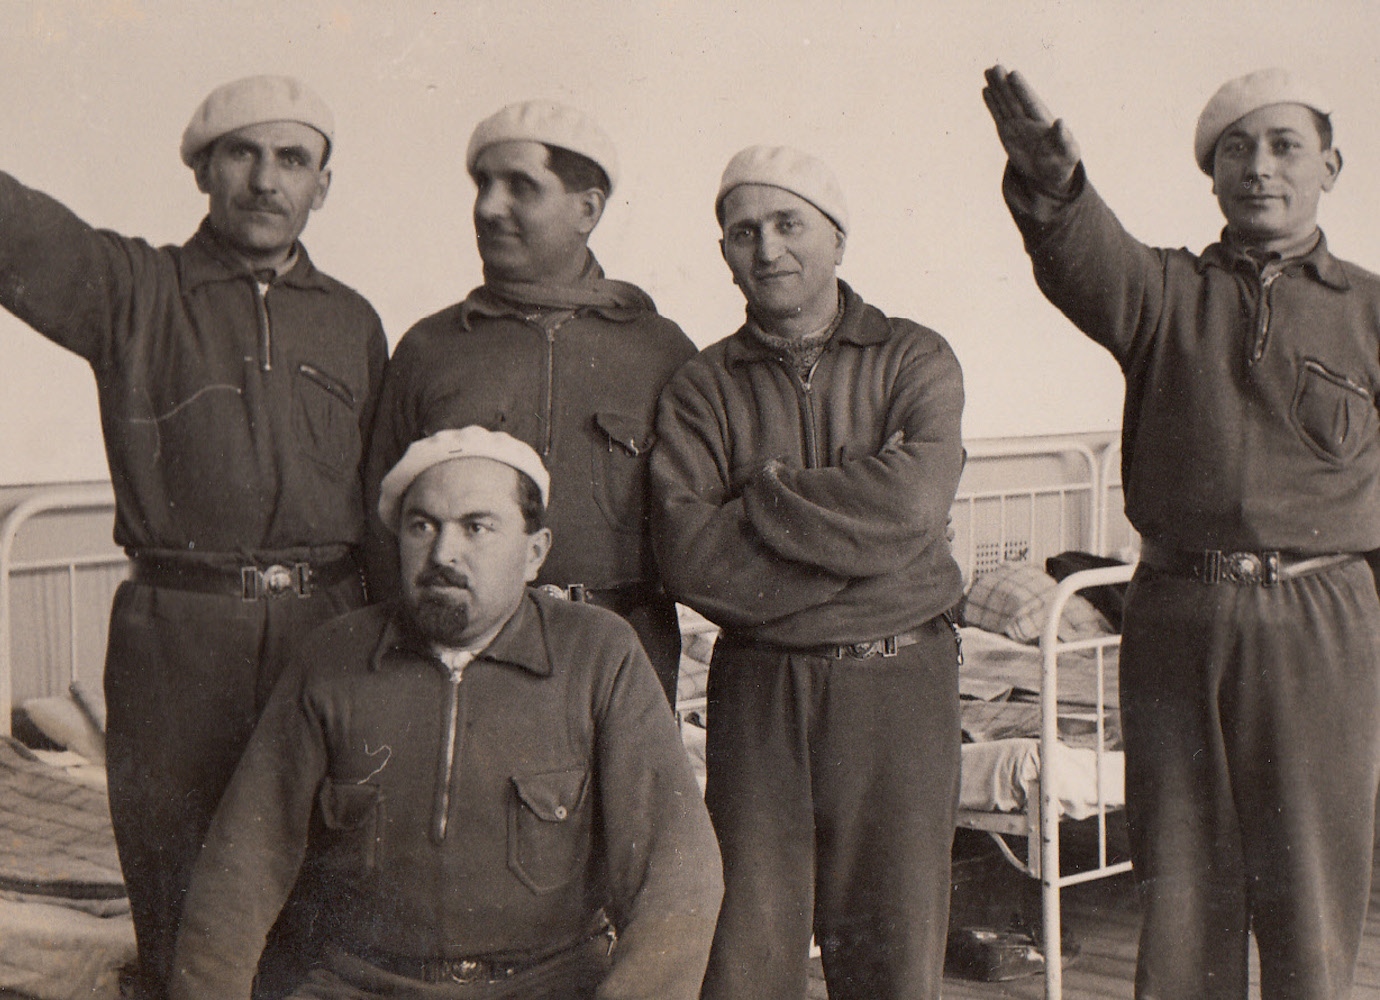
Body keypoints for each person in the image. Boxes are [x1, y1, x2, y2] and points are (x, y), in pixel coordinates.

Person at [983, 64, 1380, 999]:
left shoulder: (1371, 310)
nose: (1259, 167)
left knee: (1311, 882)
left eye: (1284, 146)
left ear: (1330, 164)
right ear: (1211, 177)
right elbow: (1084, 254)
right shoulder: (1163, 295)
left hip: (1322, 617)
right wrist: (1053, 183)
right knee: (1182, 880)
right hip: (1176, 615)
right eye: (1234, 149)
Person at [0, 75, 388, 999]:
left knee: (318, 874)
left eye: (292, 159)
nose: (266, 179)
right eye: (242, 154)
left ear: (321, 187)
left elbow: (382, 499)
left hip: (324, 629)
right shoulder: (133, 290)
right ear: (203, 171)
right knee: (177, 879)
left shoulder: (354, 321)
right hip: (178, 636)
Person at [168, 426, 724, 1000]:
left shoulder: (599, 655)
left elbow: (679, 873)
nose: (442, 554)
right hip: (361, 985)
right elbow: (240, 869)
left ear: (535, 552)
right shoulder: (332, 659)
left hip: (546, 986)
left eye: (476, 527)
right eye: (421, 525)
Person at [650, 145, 966, 1000]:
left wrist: (760, 499)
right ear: (723, 252)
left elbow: (912, 507)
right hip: (763, 688)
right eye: (742, 230)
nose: (767, 248)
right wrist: (866, 561)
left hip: (901, 681)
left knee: (896, 951)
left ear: (837, 238)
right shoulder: (700, 388)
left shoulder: (915, 358)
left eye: (789, 223)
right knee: (749, 945)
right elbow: (692, 558)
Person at [364, 100, 695, 706]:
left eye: (521, 186)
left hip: (623, 667)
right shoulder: (430, 348)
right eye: (483, 185)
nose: (489, 207)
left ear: (587, 209)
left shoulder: (661, 351)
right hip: (461, 665)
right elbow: (380, 538)